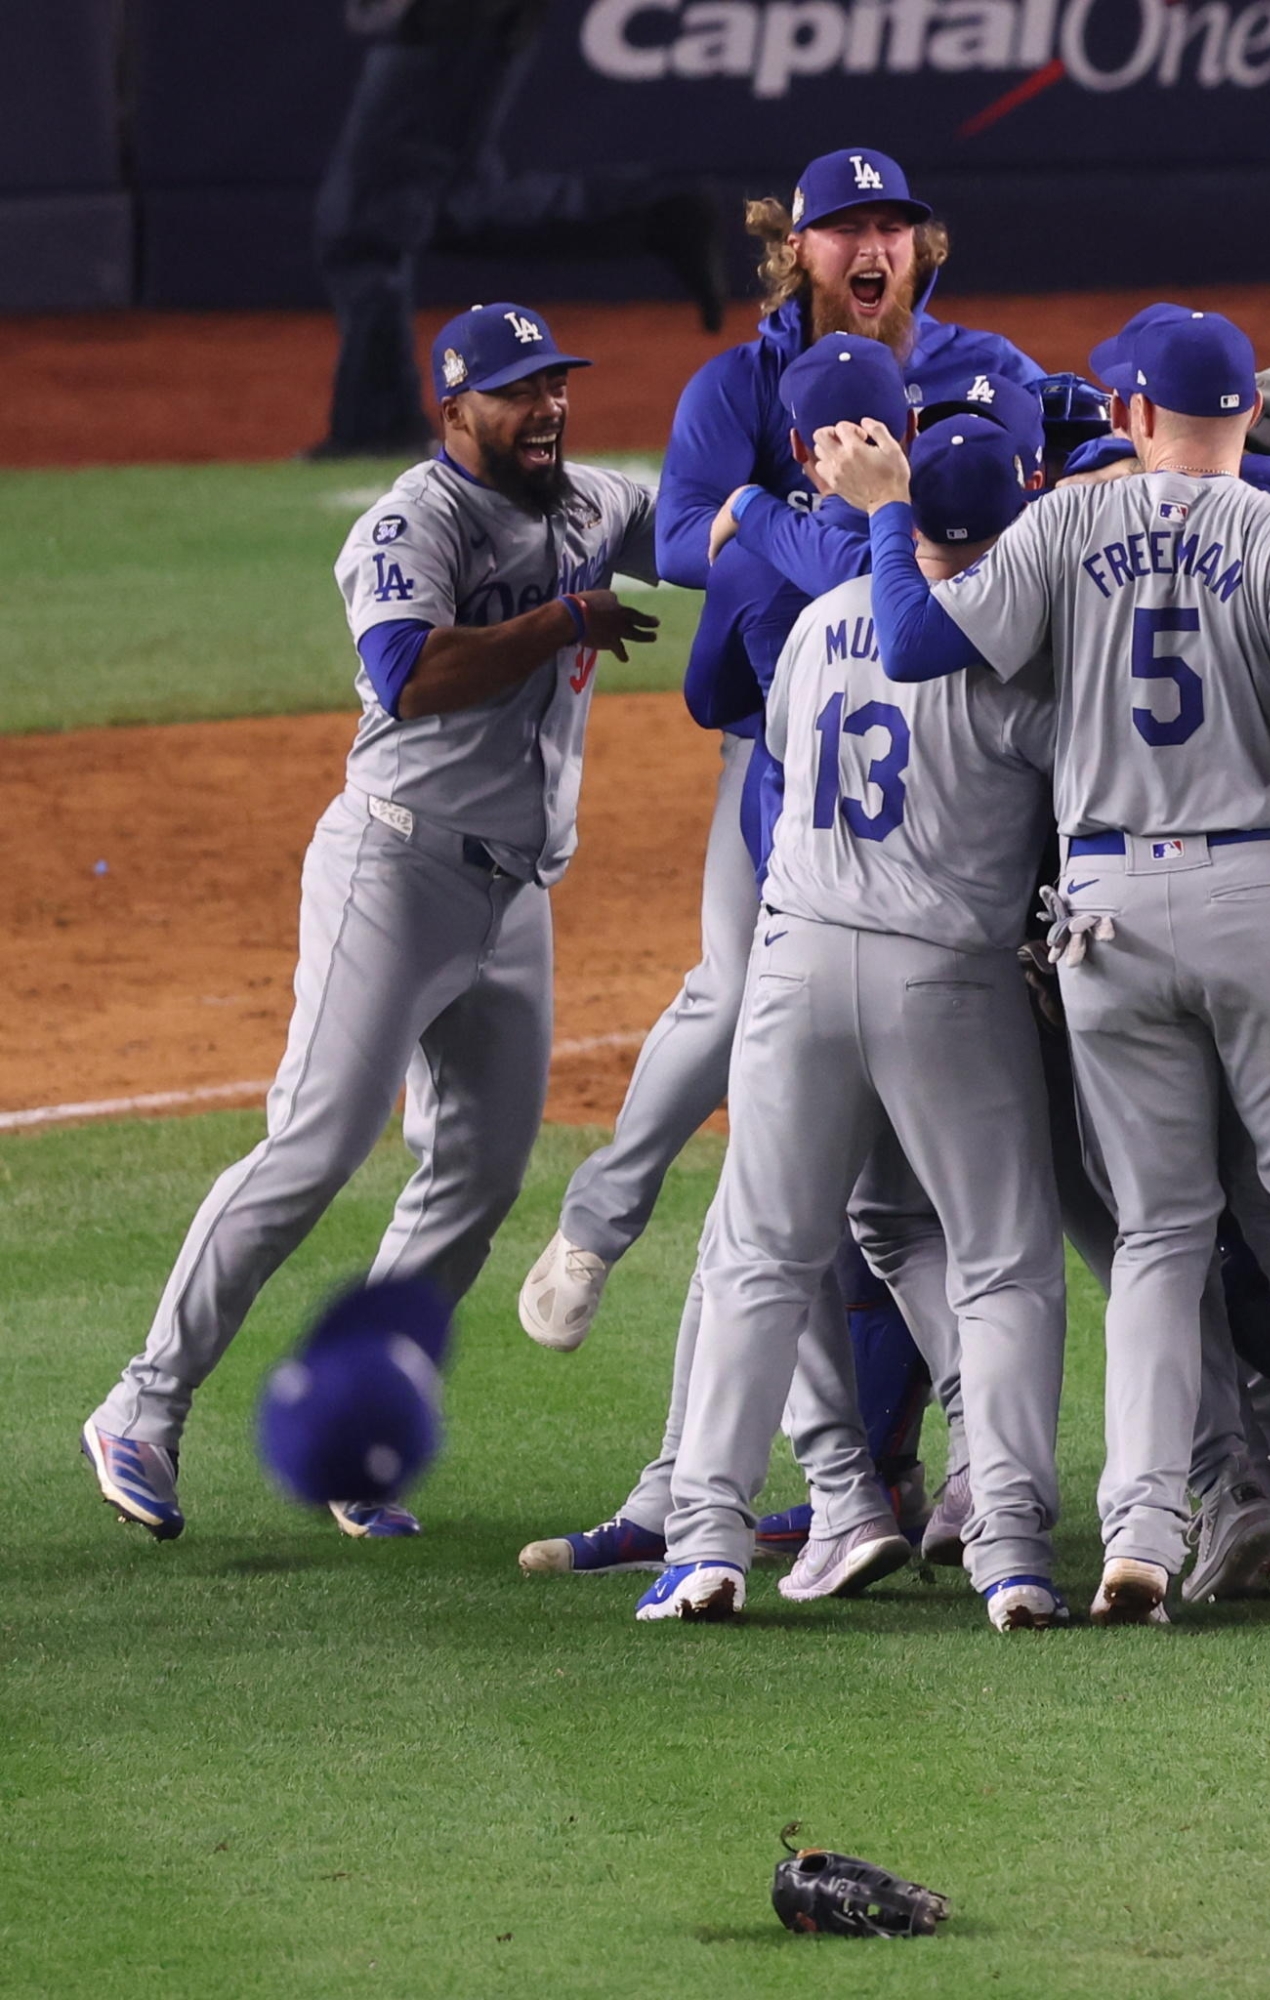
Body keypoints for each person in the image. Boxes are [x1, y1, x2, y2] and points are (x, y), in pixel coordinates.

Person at [820, 309, 1270, 1622]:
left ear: (1127, 416)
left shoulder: (1061, 524)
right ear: (1249, 415)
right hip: (1262, 892)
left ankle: (1140, 1538)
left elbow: (914, 644)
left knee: (1159, 1238)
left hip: (1107, 903)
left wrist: (889, 517)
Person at [84, 305, 658, 1541]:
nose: (548, 407)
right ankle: (142, 1403)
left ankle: (356, 1428)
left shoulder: (592, 505)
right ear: (455, 412)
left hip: (513, 893)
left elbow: (712, 525)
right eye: (518, 393)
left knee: (480, 1176)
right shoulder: (414, 520)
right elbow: (411, 669)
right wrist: (559, 622)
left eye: (556, 384)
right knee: (316, 1144)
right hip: (393, 873)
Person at [518, 146, 1045, 1355]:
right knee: (736, 993)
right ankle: (601, 1221)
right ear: (794, 247)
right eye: (845, 229)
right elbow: (689, 540)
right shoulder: (735, 387)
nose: (873, 248)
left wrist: (779, 520)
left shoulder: (986, 370)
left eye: (893, 228)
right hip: (787, 746)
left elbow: (1029, 509)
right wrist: (855, 530)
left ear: (920, 247)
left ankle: (865, 1465)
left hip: (963, 756)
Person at [639, 409, 1068, 1626]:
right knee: (1001, 1263)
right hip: (948, 981)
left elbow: (775, 748)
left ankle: (705, 1542)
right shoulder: (1012, 648)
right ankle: (1013, 1548)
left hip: (798, 965)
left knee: (759, 1254)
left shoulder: (826, 619)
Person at [311, 0, 723, 458]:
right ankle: (655, 216)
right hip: (452, 23)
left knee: (365, 228)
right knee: (452, 208)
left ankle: (380, 426)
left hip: (447, 19)